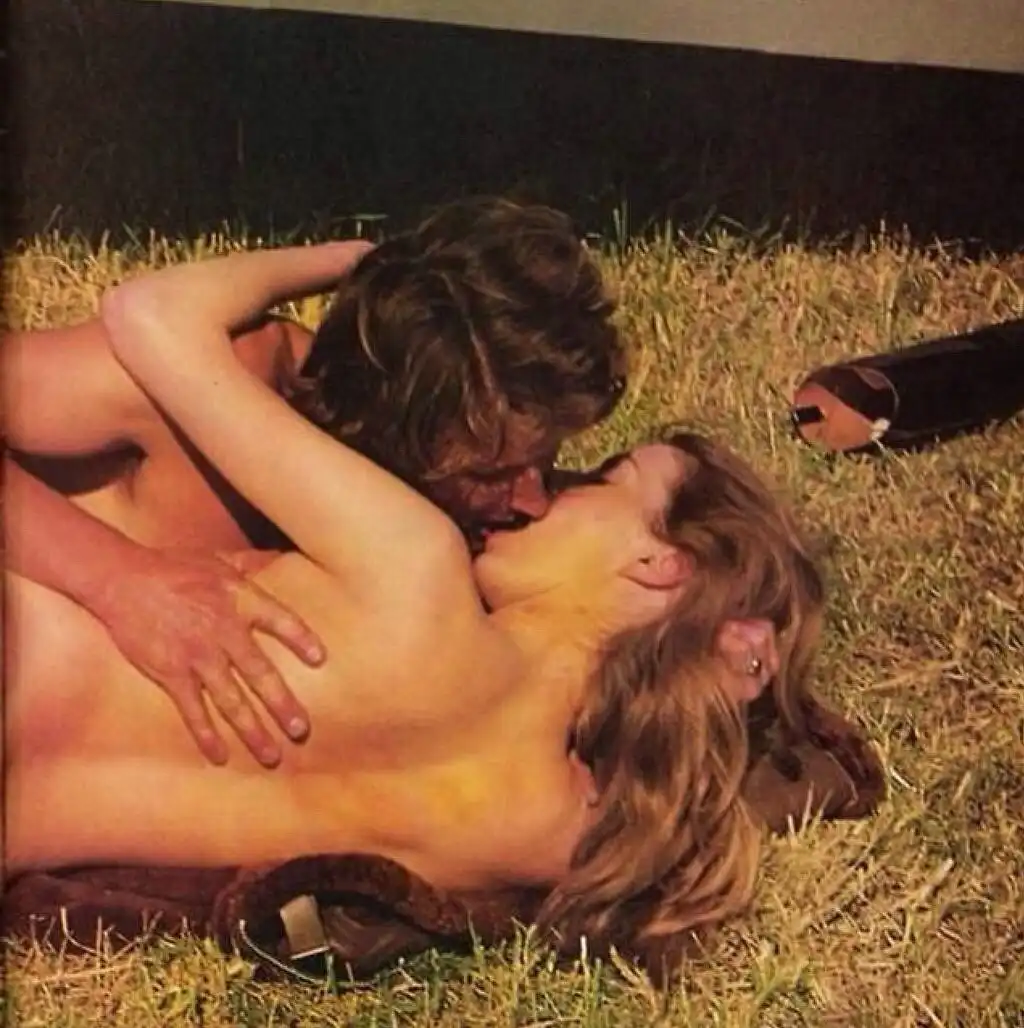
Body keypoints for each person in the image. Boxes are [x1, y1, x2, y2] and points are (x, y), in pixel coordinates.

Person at [5, 243, 823, 961]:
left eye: (605, 478)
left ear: (656, 566)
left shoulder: (413, 571)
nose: (543, 496)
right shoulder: (542, 829)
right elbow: (684, 792)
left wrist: (359, 261)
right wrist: (727, 671)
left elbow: (152, 315)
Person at [2, 198, 629, 766]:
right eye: (489, 474)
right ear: (391, 425)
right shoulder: (223, 379)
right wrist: (116, 579)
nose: (533, 501)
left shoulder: (441, 542)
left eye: (544, 460)